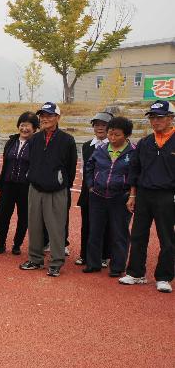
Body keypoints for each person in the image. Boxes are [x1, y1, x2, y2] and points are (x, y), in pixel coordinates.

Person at [120, 100, 175, 293]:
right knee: (138, 235)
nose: (155, 121)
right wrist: (132, 196)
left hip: (167, 196)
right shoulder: (145, 143)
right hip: (144, 194)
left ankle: (164, 277)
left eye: (160, 117)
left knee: (167, 238)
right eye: (152, 117)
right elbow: (134, 170)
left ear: (170, 118)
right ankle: (136, 273)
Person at [19, 102, 77, 277]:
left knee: (56, 228)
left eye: (50, 115)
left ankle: (56, 262)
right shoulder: (35, 139)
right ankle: (35, 259)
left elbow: (71, 168)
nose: (45, 118)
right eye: (43, 115)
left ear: (58, 118)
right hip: (35, 189)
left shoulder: (67, 140)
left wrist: (61, 183)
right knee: (34, 226)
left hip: (56, 191)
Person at [84, 116, 134, 276]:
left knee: (119, 233)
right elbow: (89, 167)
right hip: (97, 196)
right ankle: (93, 263)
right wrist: (91, 185)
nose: (112, 138)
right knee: (95, 231)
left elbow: (136, 174)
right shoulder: (101, 150)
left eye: (117, 135)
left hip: (120, 198)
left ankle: (118, 266)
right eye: (110, 134)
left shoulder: (133, 152)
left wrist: (130, 193)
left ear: (126, 135)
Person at [0, 112, 38, 255]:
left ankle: (17, 244)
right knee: (2, 215)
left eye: (28, 126)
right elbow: (6, 163)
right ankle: (1, 242)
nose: (24, 128)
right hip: (8, 184)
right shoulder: (11, 141)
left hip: (25, 186)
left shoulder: (36, 144)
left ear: (35, 128)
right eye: (22, 125)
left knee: (23, 216)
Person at [76, 112, 112, 266]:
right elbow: (84, 169)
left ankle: (104, 255)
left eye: (103, 125)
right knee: (87, 224)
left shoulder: (115, 145)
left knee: (106, 224)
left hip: (107, 191)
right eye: (97, 125)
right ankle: (84, 254)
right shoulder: (87, 146)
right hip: (89, 190)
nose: (99, 128)